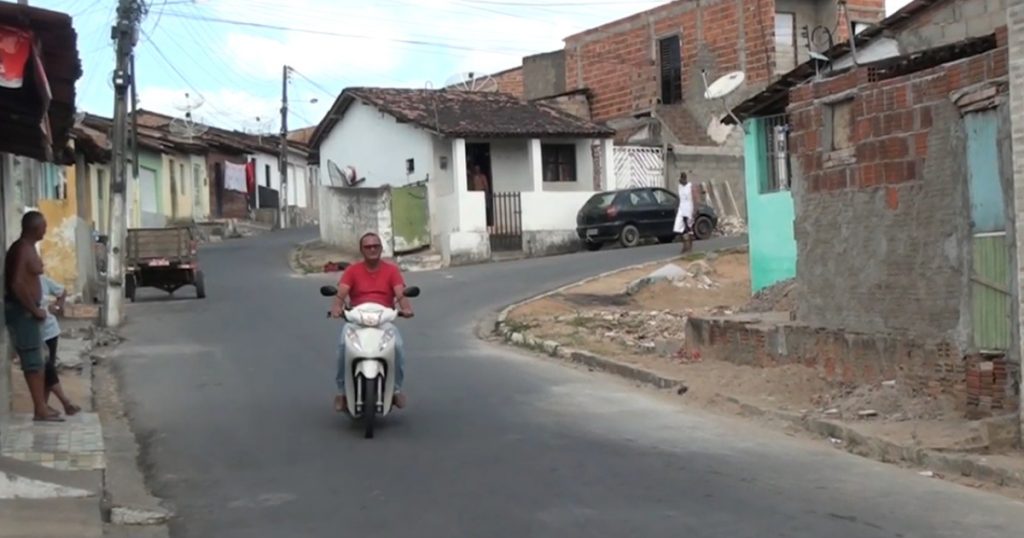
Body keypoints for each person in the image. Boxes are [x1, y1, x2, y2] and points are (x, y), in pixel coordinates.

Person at [329, 232, 414, 412]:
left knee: (397, 345)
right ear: (361, 250)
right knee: (343, 345)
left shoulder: (391, 270)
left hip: (383, 319)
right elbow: (341, 294)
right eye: (368, 247)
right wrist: (336, 308)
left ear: (381, 248)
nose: (372, 249)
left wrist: (406, 308)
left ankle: (396, 389)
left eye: (376, 246)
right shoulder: (352, 271)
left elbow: (400, 293)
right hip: (357, 318)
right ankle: (342, 392)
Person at [4, 211, 57, 422]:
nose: (45, 230)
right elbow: (16, 283)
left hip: (30, 311)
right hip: (22, 313)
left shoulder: (29, 248)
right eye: (43, 226)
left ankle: (42, 407)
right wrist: (33, 310)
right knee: (33, 362)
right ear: (35, 228)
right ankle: (40, 410)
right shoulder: (21, 249)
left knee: (40, 361)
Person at [40, 273, 80, 417]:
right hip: (34, 334)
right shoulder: (21, 283)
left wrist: (57, 307)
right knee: (46, 369)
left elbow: (62, 291)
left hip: (49, 331)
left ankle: (43, 407)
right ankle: (64, 402)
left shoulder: (42, 280)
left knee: (48, 369)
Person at [672, 172, 698, 254]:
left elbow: (695, 198)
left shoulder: (690, 186)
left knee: (688, 228)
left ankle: (688, 247)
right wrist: (676, 207)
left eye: (682, 180)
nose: (681, 182)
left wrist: (695, 209)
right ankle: (685, 246)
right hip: (681, 208)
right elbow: (679, 198)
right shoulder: (680, 186)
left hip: (689, 208)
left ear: (685, 179)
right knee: (679, 228)